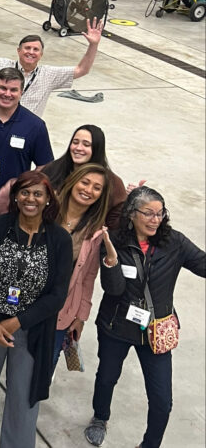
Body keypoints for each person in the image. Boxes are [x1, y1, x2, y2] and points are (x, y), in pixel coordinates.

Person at [84, 187, 205, 448]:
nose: (155, 219)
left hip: (157, 331)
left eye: (160, 213)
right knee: (107, 377)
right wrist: (111, 261)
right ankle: (100, 417)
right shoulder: (114, 240)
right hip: (116, 326)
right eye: (148, 213)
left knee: (162, 400)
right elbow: (113, 289)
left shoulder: (175, 242)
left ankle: (150, 444)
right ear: (131, 213)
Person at [0, 171, 71, 448]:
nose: (30, 199)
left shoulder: (59, 239)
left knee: (24, 394)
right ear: (15, 196)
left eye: (37, 193)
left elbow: (58, 295)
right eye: (24, 192)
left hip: (31, 328)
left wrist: (17, 322)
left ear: (48, 199)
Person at [0, 4, 103, 117]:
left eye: (35, 50)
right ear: (18, 51)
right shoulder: (2, 65)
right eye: (27, 48)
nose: (31, 52)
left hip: (26, 131)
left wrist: (93, 45)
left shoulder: (49, 74)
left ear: (41, 54)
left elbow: (82, 70)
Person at [0, 124, 127, 227]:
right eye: (75, 142)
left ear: (97, 148)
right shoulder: (52, 170)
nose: (78, 148)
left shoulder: (113, 183)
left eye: (86, 144)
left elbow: (116, 222)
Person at [50, 163, 114, 364]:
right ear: (72, 182)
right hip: (28, 304)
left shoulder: (95, 232)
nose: (89, 190)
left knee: (45, 370)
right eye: (84, 182)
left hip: (62, 310)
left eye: (97, 187)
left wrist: (81, 317)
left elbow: (88, 277)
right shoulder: (46, 210)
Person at [0, 67, 54, 198]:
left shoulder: (35, 126)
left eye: (13, 90)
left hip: (11, 201)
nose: (7, 94)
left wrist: (25, 188)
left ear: (21, 92)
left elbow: (45, 165)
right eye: (3, 88)